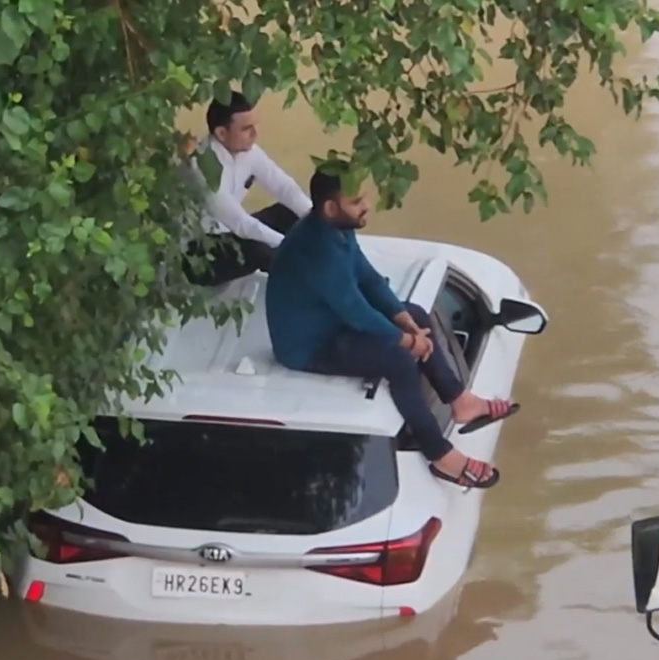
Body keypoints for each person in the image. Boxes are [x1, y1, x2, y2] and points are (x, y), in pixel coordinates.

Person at [264, 165, 519, 488]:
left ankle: (460, 401)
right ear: (331, 208)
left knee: (418, 314)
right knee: (397, 361)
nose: (366, 205)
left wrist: (404, 319)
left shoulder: (339, 230)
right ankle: (440, 456)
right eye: (357, 201)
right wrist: (407, 342)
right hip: (308, 346)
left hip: (331, 321)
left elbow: (368, 279)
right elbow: (355, 310)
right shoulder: (318, 251)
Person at [181, 91, 312, 287]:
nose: (255, 133)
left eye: (255, 125)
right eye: (246, 128)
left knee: (292, 214)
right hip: (198, 251)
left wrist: (321, 222)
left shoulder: (249, 152)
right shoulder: (202, 164)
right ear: (221, 133)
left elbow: (285, 188)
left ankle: (315, 256)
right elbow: (241, 223)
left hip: (232, 235)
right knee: (256, 248)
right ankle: (308, 283)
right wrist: (287, 244)